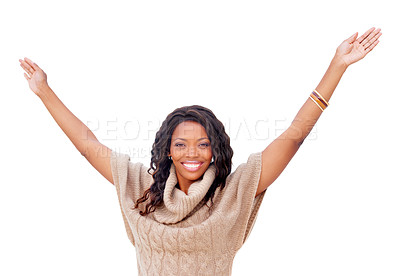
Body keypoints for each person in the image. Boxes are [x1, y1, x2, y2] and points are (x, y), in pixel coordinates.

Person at [19, 27, 382, 275]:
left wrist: (337, 66)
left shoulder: (233, 195)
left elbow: (293, 137)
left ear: (214, 152)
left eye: (203, 144)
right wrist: (44, 91)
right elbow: (88, 145)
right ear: (168, 152)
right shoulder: (140, 188)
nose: (192, 152)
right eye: (181, 144)